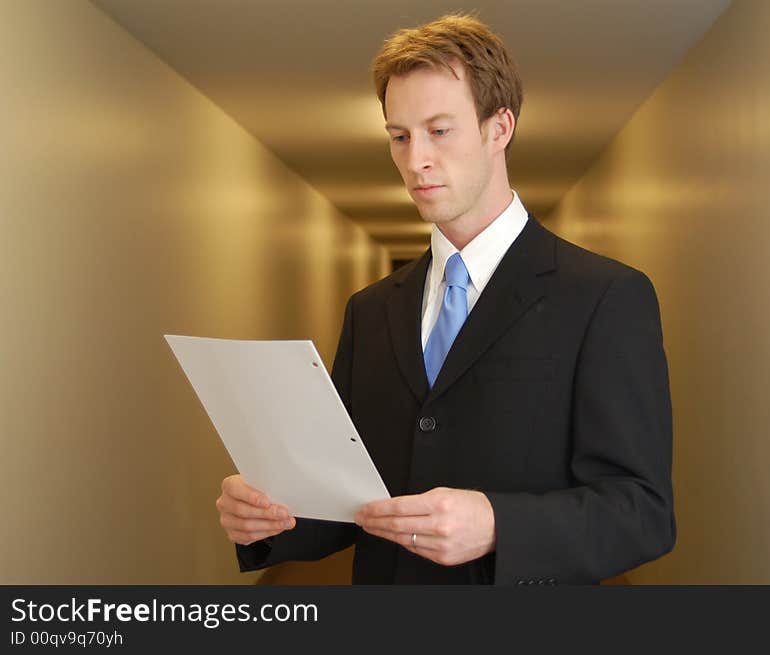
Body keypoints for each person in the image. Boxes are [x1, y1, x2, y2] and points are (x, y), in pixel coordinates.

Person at [216, 14, 675, 585]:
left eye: (440, 130)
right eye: (399, 137)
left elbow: (643, 512)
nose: (415, 161)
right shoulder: (372, 310)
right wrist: (267, 517)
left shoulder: (605, 297)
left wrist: (499, 524)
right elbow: (349, 506)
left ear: (499, 127)